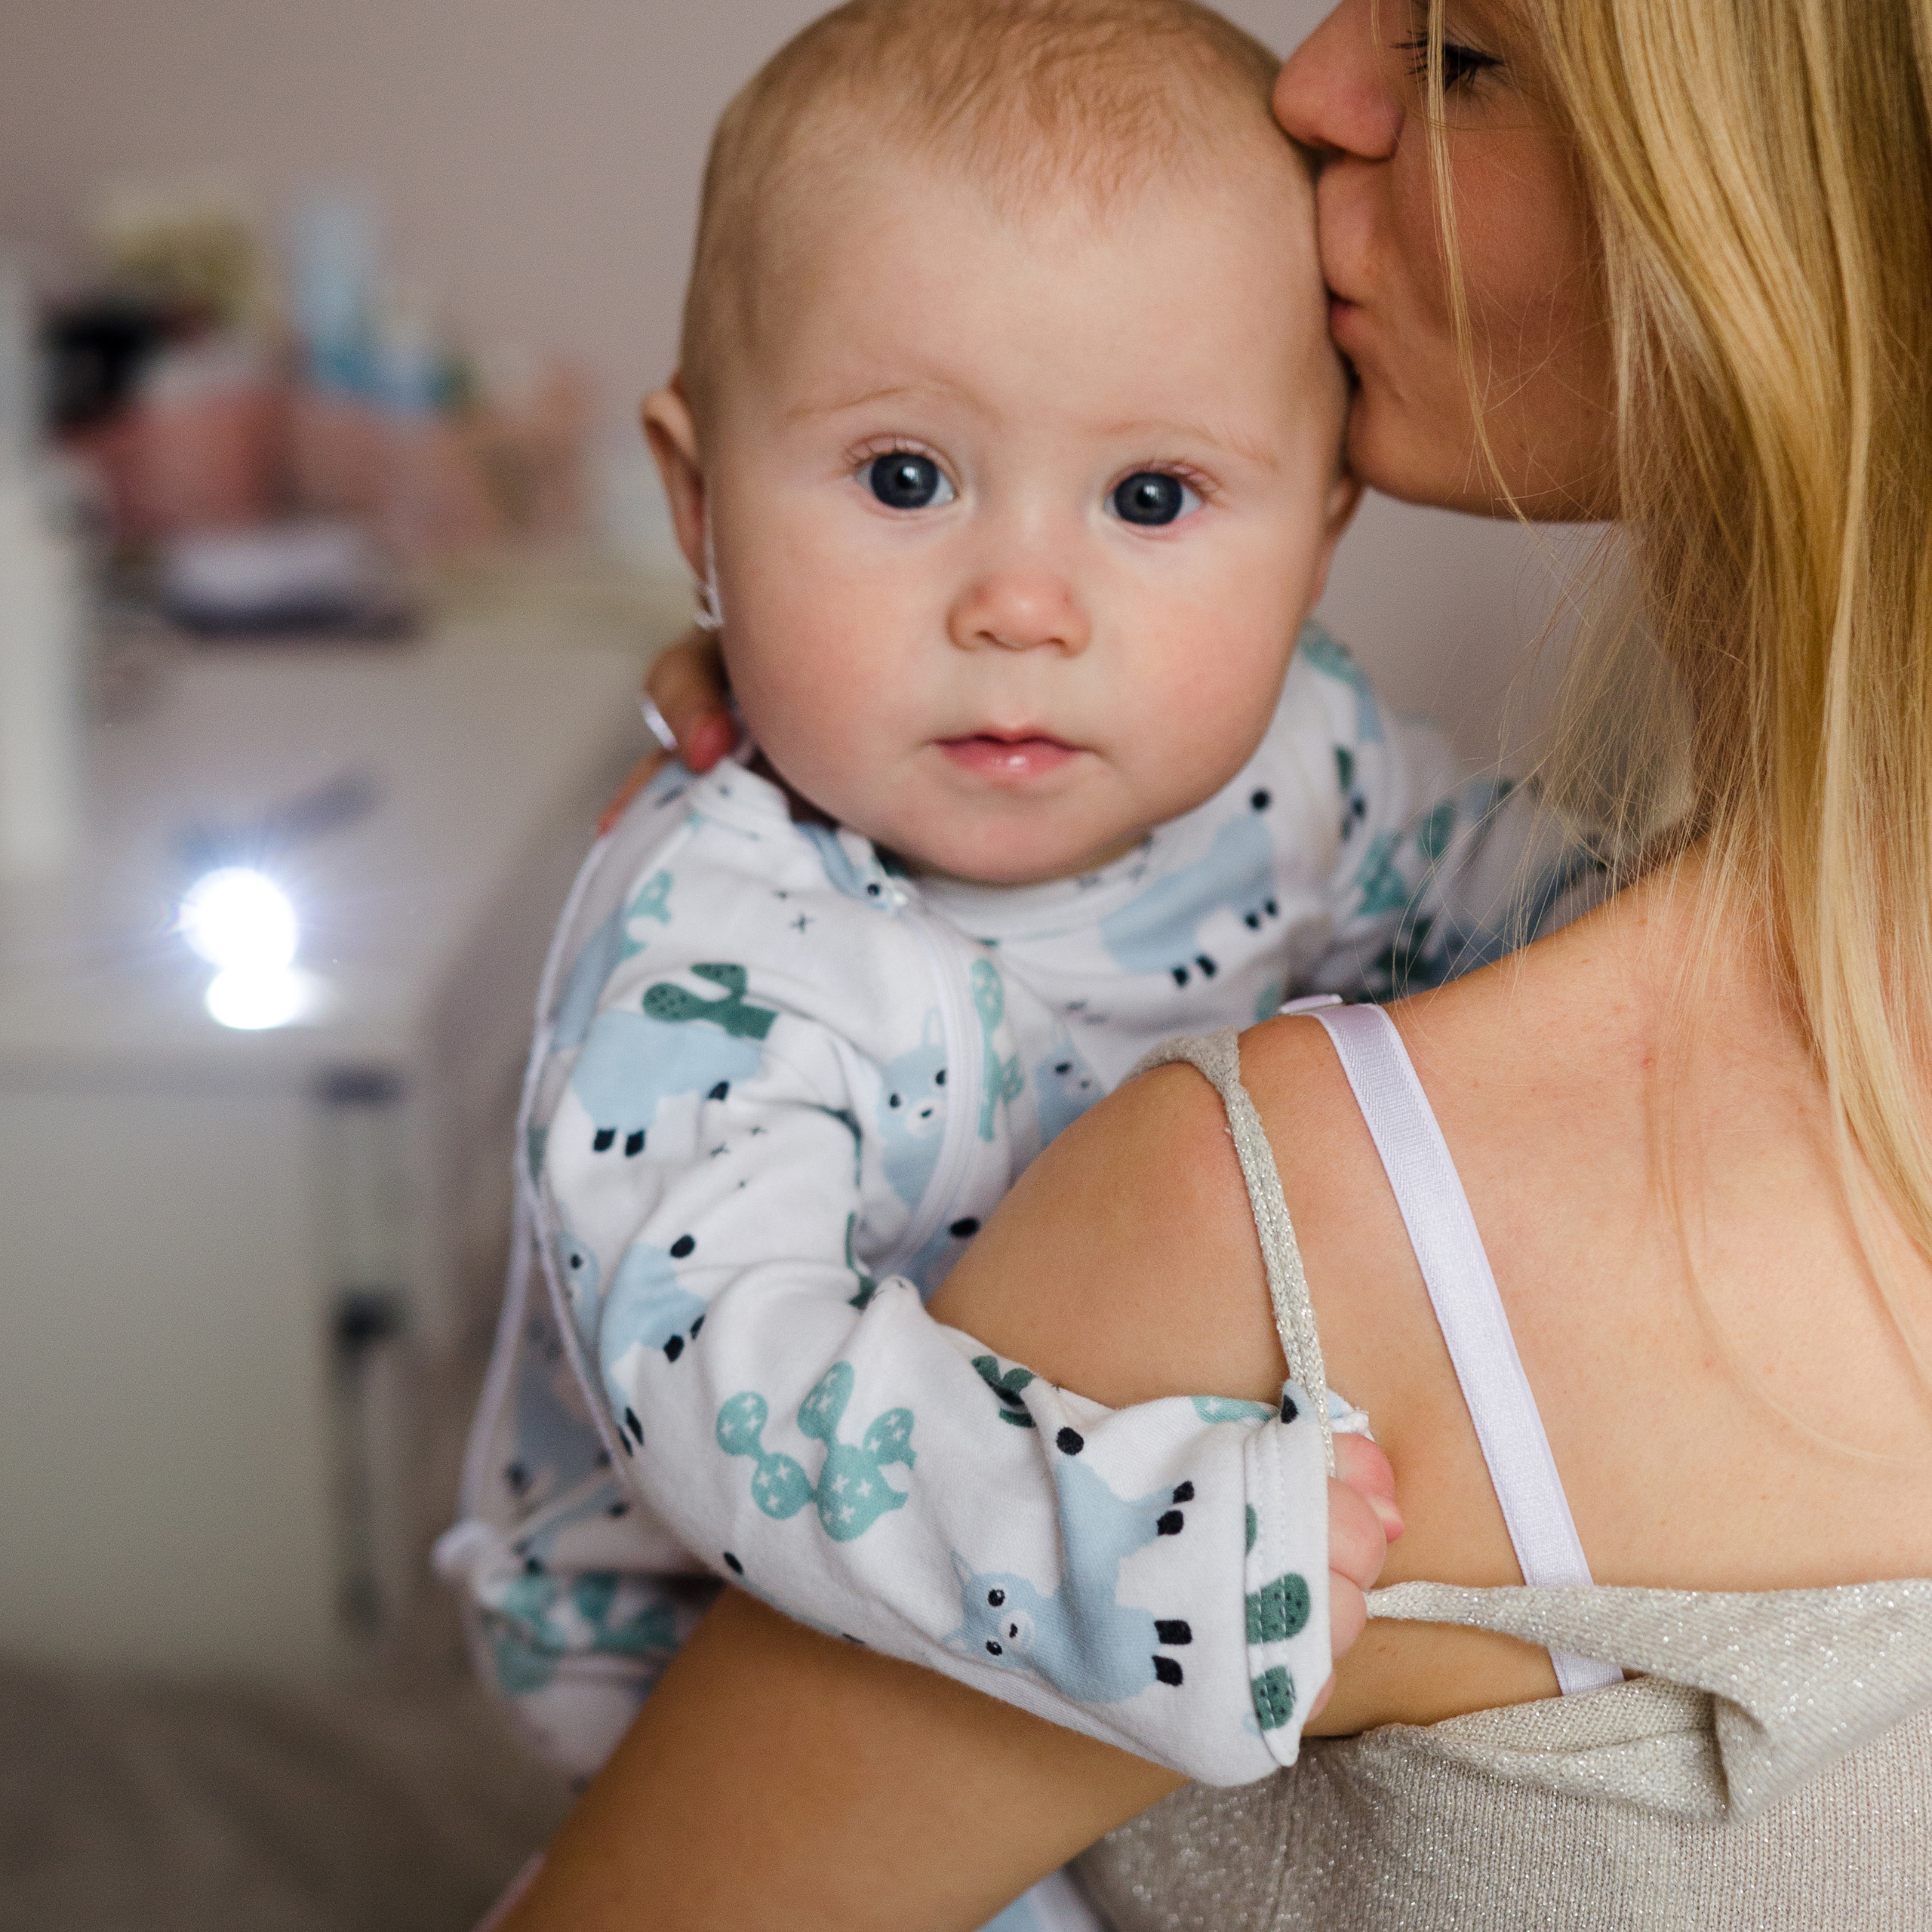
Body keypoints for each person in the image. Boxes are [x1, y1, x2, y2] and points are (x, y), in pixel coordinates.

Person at [488, 0, 1932, 1924]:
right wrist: (1130, 1557)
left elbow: (1469, 871)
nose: (1016, 604)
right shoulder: (718, 946)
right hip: (702, 1615)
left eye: (1459, 51)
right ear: (697, 499)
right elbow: (726, 1380)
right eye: (901, 482)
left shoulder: (1300, 790)